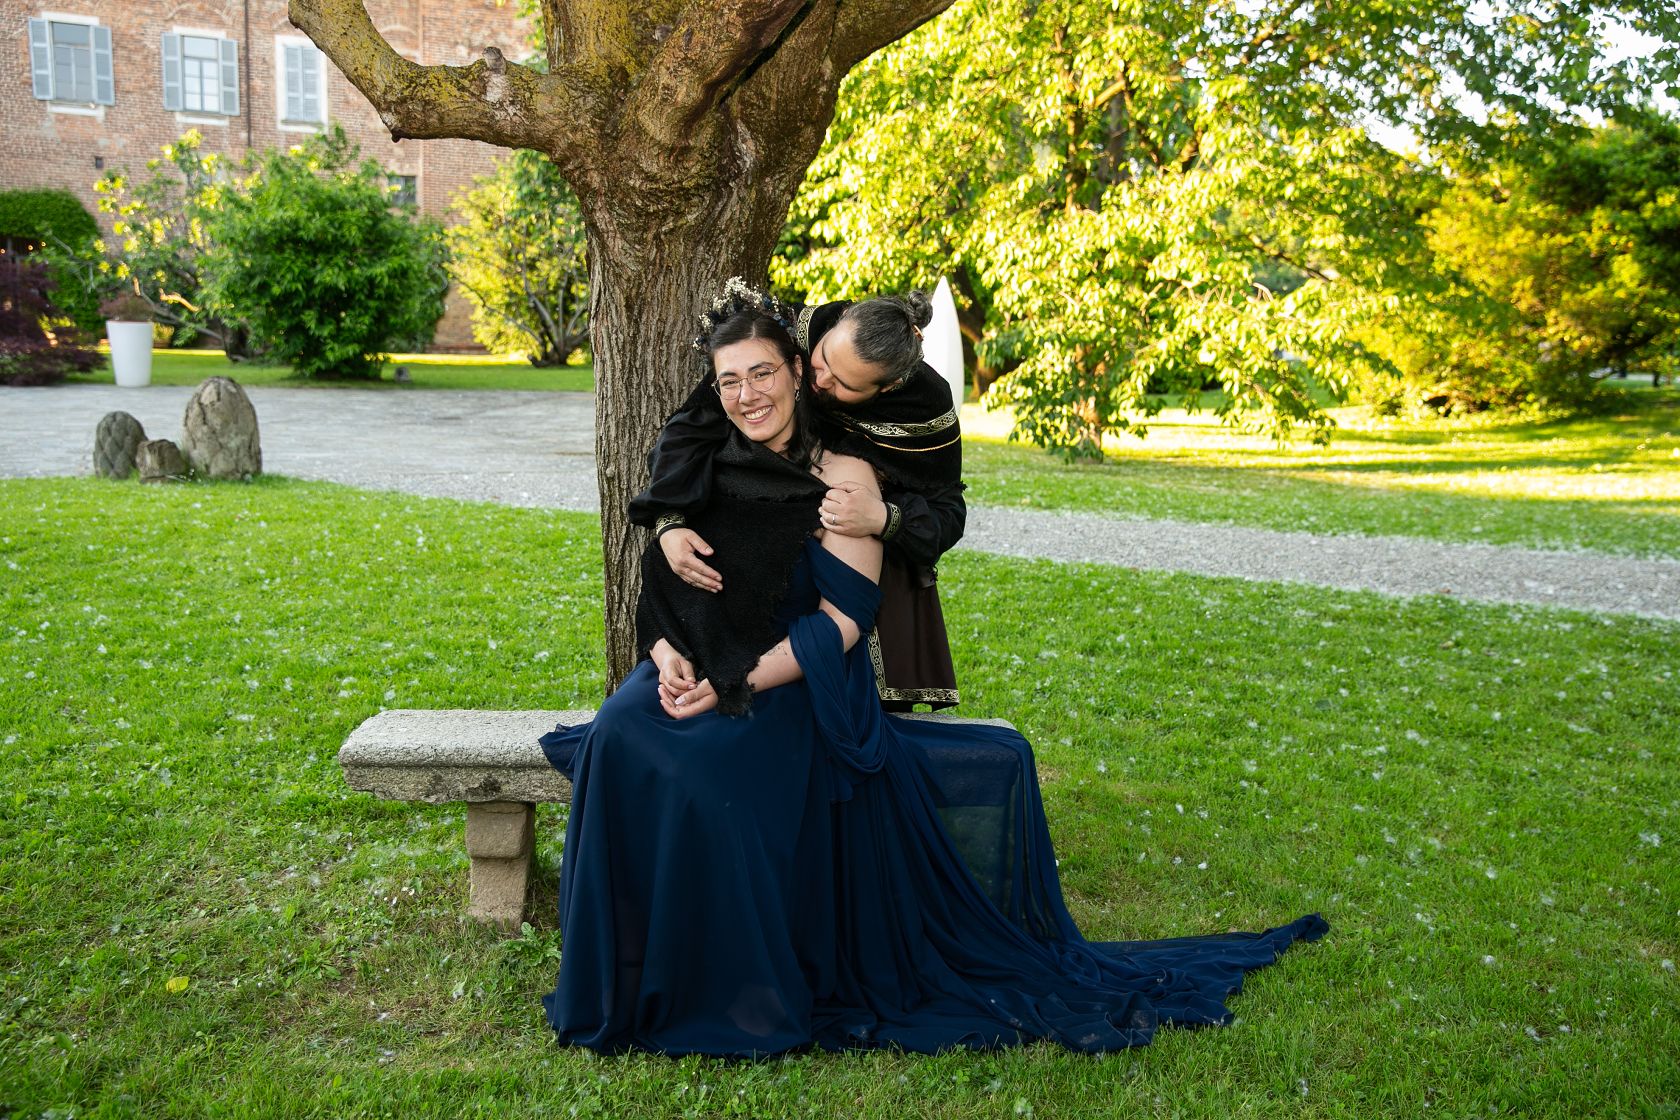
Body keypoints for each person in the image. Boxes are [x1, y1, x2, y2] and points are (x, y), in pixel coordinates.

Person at [538, 301, 1327, 1058]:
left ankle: (728, 992)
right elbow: (668, 582)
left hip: (798, 684)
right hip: (694, 662)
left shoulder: (847, 474)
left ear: (795, 372)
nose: (749, 395)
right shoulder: (705, 452)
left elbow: (843, 622)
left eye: (764, 374)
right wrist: (664, 650)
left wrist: (738, 678)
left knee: (714, 770)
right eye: (730, 381)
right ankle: (626, 981)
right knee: (618, 734)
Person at [628, 278, 964, 711]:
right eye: (822, 360)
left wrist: (883, 518)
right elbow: (689, 428)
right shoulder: (795, 334)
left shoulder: (925, 412)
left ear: (887, 386)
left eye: (843, 384)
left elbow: (948, 511)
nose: (820, 381)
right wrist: (668, 520)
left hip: (854, 530)